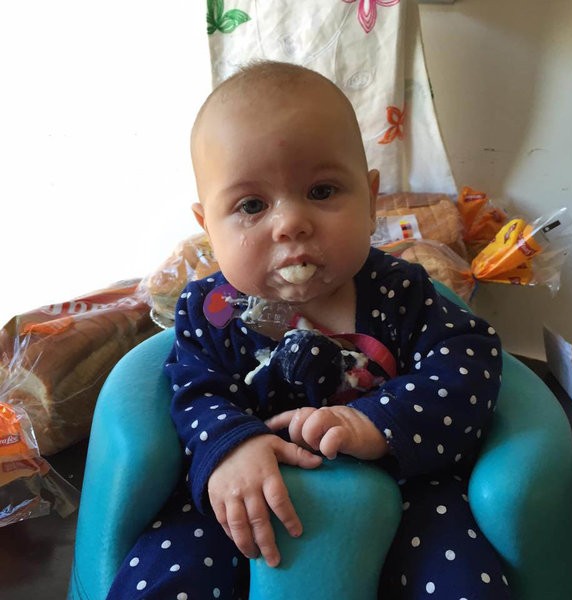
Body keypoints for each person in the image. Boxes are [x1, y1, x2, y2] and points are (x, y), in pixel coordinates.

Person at [107, 61, 511, 599]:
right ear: (209, 228)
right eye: (252, 205)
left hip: (405, 488)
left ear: (369, 200)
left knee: (463, 581)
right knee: (165, 574)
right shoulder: (213, 311)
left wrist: (377, 423)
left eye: (321, 191)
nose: (291, 222)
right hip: (246, 495)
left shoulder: (402, 292)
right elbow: (195, 391)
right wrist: (229, 448)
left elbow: (468, 364)